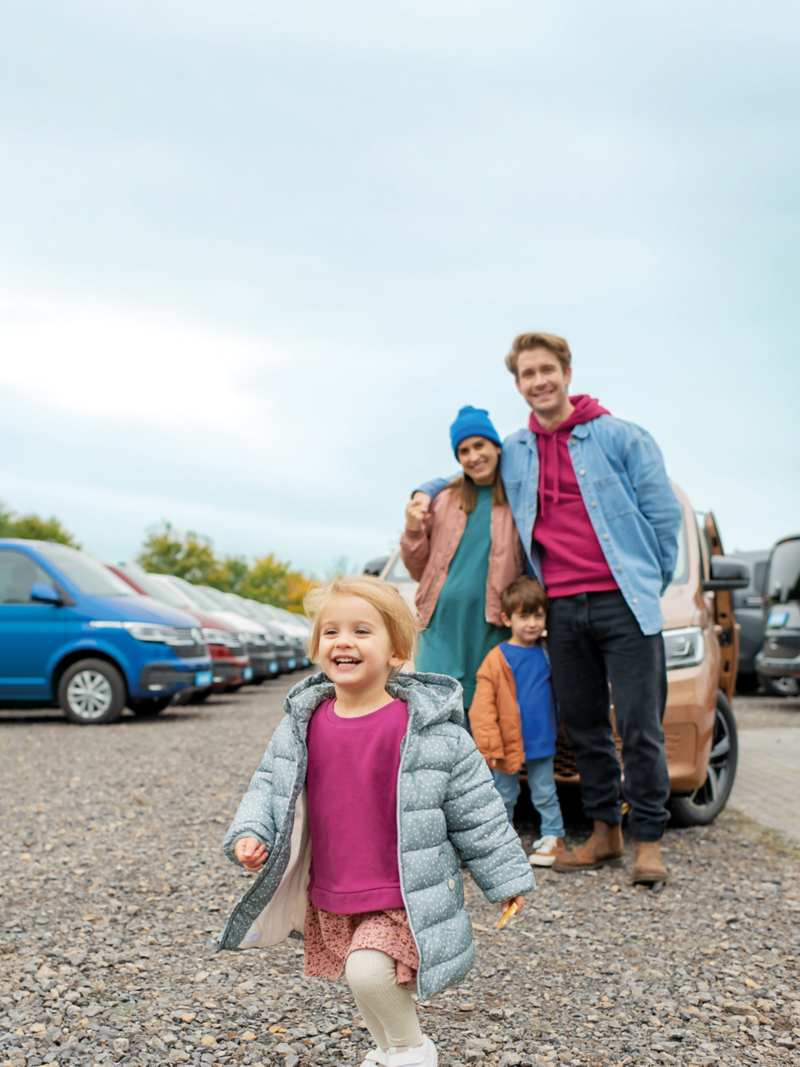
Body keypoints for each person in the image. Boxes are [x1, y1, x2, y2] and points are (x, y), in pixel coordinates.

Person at [216, 575, 535, 1067]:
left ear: (396, 652)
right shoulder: (302, 723)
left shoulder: (429, 731)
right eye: (331, 632)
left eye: (362, 631)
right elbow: (267, 785)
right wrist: (251, 833)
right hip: (336, 887)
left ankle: (412, 1050)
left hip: (402, 890)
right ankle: (389, 1050)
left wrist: (505, 877)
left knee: (369, 972)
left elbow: (478, 811)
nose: (343, 641)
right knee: (356, 973)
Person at [412, 333, 683, 886]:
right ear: (518, 385)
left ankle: (648, 842)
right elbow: (470, 467)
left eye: (547, 370)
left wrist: (648, 583)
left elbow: (663, 518)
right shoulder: (517, 449)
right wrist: (422, 489)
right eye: (527, 374)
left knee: (639, 726)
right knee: (583, 727)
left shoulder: (620, 436)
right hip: (558, 607)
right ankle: (605, 835)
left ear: (566, 372)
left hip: (623, 603)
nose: (539, 381)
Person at [400, 405, 525, 716]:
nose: (473, 456)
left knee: (485, 723)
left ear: (497, 446)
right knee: (436, 719)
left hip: (490, 628)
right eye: (464, 450)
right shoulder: (444, 500)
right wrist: (413, 529)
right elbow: (418, 568)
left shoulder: (518, 499)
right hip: (439, 628)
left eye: (479, 445)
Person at [470, 576, 566, 867]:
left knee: (545, 790)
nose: (532, 623)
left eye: (538, 615)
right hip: (506, 741)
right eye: (523, 616)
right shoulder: (497, 658)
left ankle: (553, 835)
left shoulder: (548, 652)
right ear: (507, 619)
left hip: (542, 738)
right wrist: (488, 743)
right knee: (503, 793)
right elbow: (483, 707)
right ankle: (502, 838)